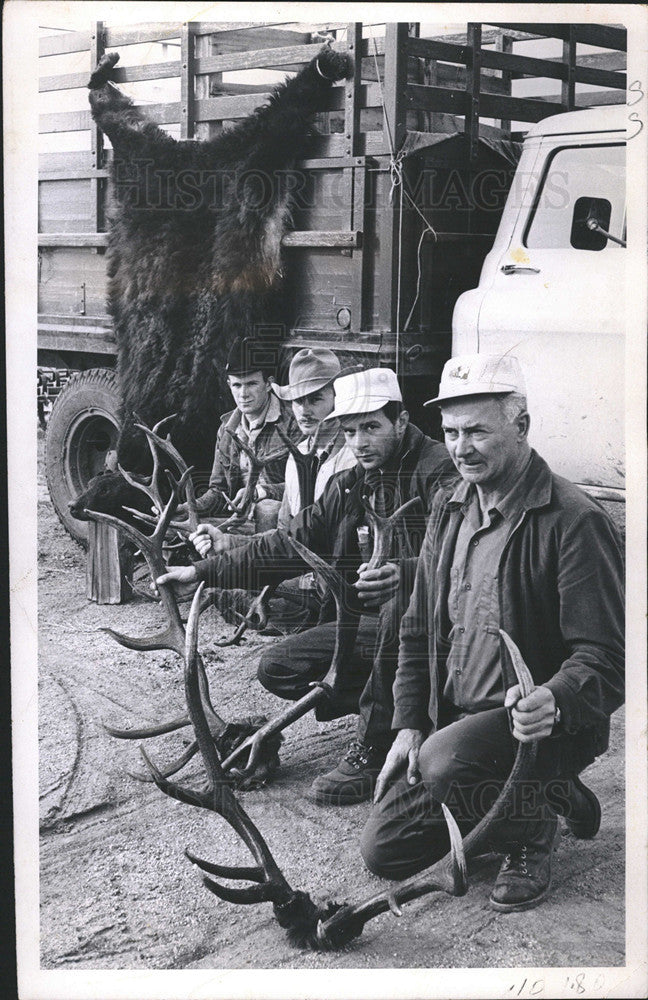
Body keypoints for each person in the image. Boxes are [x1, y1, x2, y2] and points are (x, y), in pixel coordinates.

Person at [360, 353, 625, 912]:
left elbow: (606, 657)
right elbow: (416, 628)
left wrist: (554, 698)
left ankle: (530, 833)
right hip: (453, 727)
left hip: (533, 727)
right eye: (451, 433)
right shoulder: (448, 506)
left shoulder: (574, 520)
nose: (460, 448)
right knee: (385, 849)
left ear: (521, 425)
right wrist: (408, 722)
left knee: (445, 763)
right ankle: (551, 794)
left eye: (477, 431)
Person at [158, 367, 457, 805]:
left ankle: (375, 743)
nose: (359, 443)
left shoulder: (439, 472)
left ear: (403, 421)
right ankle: (411, 713)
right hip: (380, 630)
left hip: (443, 626)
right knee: (277, 667)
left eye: (371, 427)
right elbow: (290, 542)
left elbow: (464, 555)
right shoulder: (354, 482)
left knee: (396, 604)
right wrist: (207, 571)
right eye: (350, 431)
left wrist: (408, 573)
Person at [183, 337, 300, 532]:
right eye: (237, 385)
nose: (243, 394)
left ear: (269, 384)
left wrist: (261, 491)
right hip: (238, 520)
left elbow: (304, 485)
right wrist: (191, 507)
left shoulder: (292, 423)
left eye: (251, 384)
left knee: (267, 510)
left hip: (279, 521)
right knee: (176, 526)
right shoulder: (227, 429)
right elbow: (217, 491)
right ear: (229, 385)